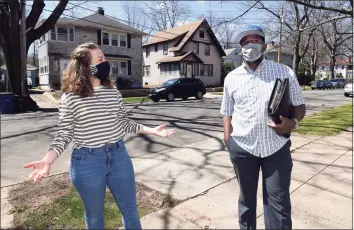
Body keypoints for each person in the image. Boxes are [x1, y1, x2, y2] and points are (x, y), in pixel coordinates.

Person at [23, 42, 175, 230]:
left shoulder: (113, 93)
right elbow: (64, 133)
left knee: (131, 211)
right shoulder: (70, 98)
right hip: (88, 163)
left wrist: (152, 130)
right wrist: (48, 160)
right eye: (100, 59)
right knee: (95, 218)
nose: (106, 63)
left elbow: (124, 123)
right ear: (86, 66)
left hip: (119, 157)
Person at [220, 25, 306, 230]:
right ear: (240, 48)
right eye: (245, 43)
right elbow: (227, 111)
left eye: (255, 41)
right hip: (242, 148)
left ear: (265, 46)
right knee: (246, 201)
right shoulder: (231, 78)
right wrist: (228, 138)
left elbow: (300, 105)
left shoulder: (284, 72)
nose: (250, 46)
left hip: (276, 147)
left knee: (279, 203)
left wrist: (292, 123)